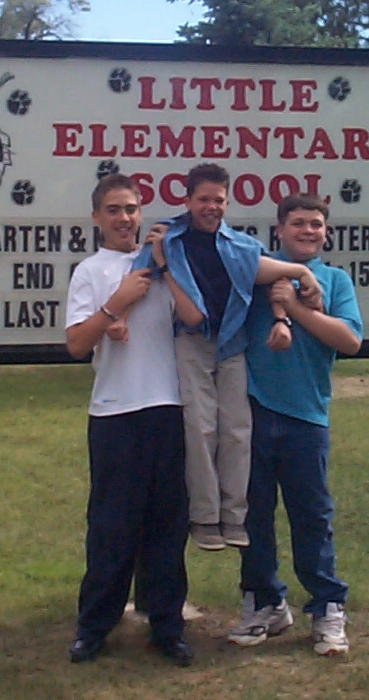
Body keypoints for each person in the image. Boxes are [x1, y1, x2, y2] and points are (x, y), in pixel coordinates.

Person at [134, 163, 321, 553]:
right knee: (200, 427)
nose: (211, 207)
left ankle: (234, 516)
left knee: (237, 428)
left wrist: (300, 283)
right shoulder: (168, 239)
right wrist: (116, 317)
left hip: (232, 341)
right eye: (203, 199)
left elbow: (270, 274)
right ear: (188, 200)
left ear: (227, 201)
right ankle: (205, 517)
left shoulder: (239, 245)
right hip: (191, 340)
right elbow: (139, 276)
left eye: (218, 200)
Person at [65, 173, 203, 667]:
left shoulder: (165, 265)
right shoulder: (90, 271)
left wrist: (165, 266)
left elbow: (194, 317)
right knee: (111, 527)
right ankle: (94, 626)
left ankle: (167, 625)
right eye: (114, 210)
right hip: (114, 412)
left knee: (167, 525)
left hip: (167, 407)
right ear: (97, 218)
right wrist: (115, 306)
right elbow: (76, 343)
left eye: (131, 209)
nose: (124, 218)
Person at [227, 193, 363, 656]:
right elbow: (233, 267)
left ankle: (327, 606)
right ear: (279, 229)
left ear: (326, 232)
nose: (308, 231)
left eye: (316, 224)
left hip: (307, 415)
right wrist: (293, 278)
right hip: (253, 412)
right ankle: (265, 601)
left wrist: (299, 311)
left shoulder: (336, 280)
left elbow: (350, 340)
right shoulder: (258, 273)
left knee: (312, 516)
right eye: (299, 223)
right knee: (253, 515)